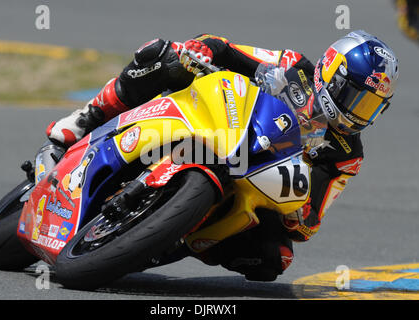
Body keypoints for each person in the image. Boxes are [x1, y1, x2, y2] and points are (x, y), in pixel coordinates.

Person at [46, 30, 399, 281]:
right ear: (332, 76)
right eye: (357, 98)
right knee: (161, 56)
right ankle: (84, 120)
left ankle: (159, 240)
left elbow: (308, 225)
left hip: (250, 181)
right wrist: (200, 52)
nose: (359, 113)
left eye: (371, 107)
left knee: (274, 259)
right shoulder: (293, 66)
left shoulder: (346, 155)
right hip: (216, 119)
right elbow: (223, 47)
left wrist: (296, 212)